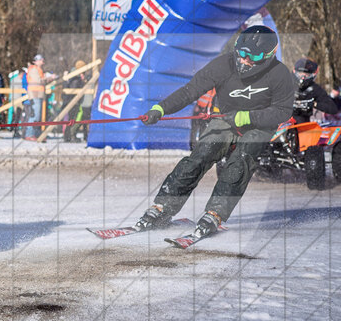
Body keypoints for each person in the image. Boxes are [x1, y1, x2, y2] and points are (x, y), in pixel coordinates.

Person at [132, 26, 296, 239]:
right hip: (225, 120)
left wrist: (247, 117)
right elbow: (190, 90)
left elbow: (283, 111)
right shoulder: (224, 64)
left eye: (252, 56)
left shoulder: (279, 74)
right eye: (241, 53)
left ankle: (215, 213)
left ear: (268, 56)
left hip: (259, 126)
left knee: (240, 161)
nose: (244, 60)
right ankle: (163, 208)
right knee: (199, 157)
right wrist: (160, 109)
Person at [290, 58, 340, 123]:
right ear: (295, 72)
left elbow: (332, 108)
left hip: (301, 125)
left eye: (306, 75)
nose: (303, 77)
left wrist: (314, 104)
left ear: (312, 75)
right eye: (300, 73)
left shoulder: (315, 89)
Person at [24, 54, 52, 141]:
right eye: (41, 60)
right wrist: (48, 78)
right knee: (35, 116)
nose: (42, 62)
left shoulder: (38, 70)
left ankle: (36, 134)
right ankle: (29, 134)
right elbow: (38, 81)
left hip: (38, 94)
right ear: (36, 61)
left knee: (38, 116)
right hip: (35, 94)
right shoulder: (34, 70)